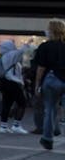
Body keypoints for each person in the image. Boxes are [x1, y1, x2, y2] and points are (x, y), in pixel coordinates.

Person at [31, 19, 65, 150]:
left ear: (51, 30)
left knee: (49, 110)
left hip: (51, 79)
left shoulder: (45, 46)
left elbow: (41, 68)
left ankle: (47, 138)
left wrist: (37, 85)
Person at [0, 40, 30, 134]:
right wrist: (27, 43)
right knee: (22, 103)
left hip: (5, 82)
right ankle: (16, 125)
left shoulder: (3, 56)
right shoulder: (10, 55)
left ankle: (3, 126)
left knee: (7, 103)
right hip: (13, 83)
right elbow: (21, 51)